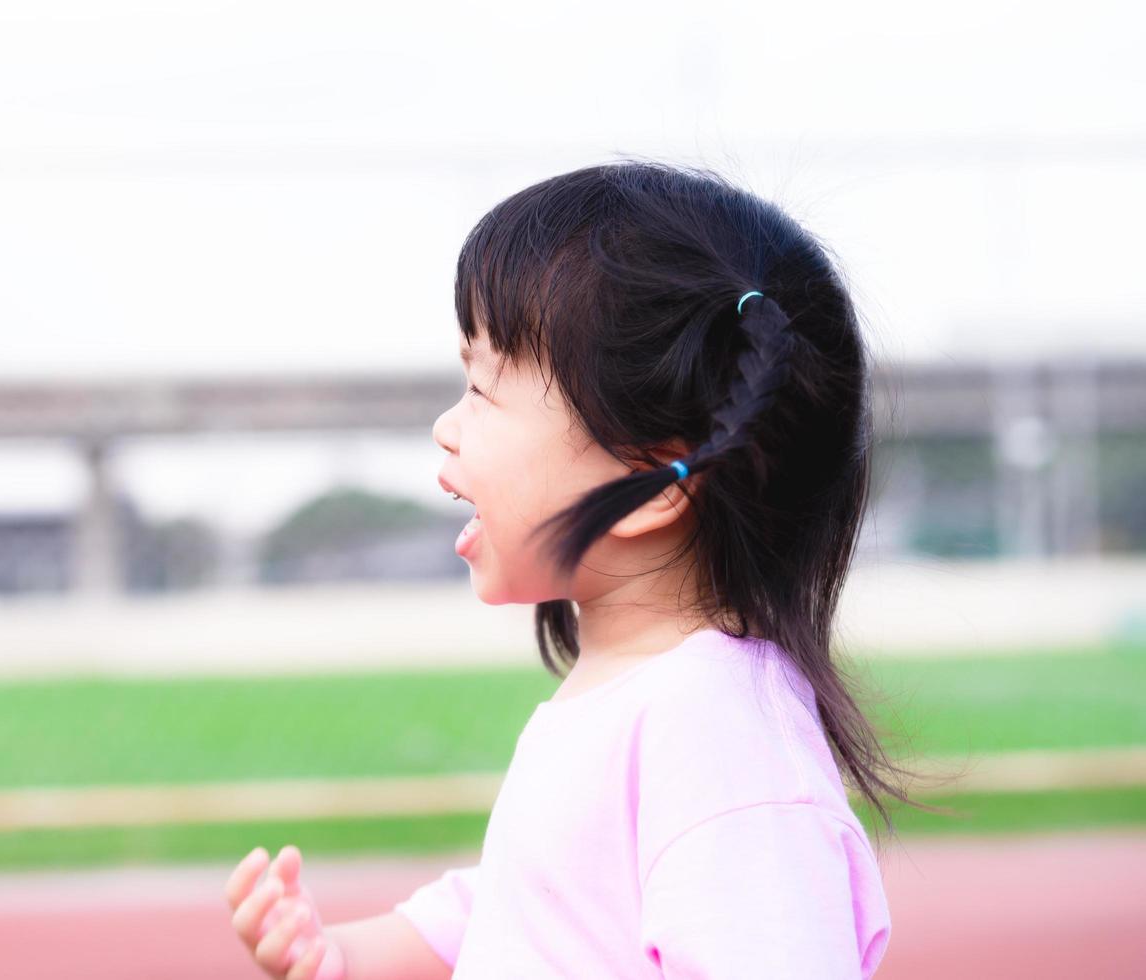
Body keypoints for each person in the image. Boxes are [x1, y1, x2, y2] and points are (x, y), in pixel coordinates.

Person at [225, 158, 948, 978]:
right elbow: (511, 904)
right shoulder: (640, 694)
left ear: (650, 481)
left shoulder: (719, 730)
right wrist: (342, 954)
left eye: (482, 389)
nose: (445, 427)